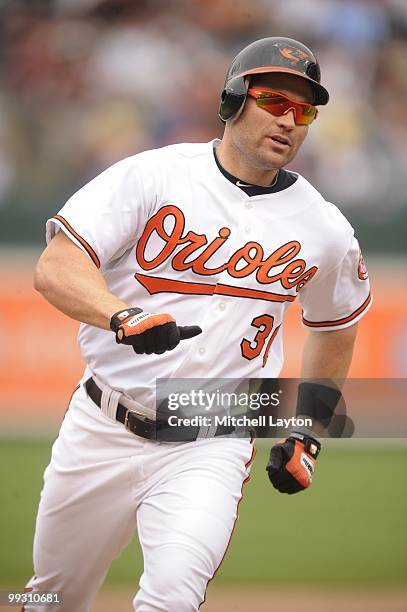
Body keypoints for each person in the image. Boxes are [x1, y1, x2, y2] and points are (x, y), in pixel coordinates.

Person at [24, 37, 371, 611]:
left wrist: (306, 428)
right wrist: (122, 315)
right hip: (101, 421)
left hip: (211, 435)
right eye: (273, 100)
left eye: (304, 110)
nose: (289, 119)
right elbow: (57, 266)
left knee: (173, 597)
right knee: (49, 597)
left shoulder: (324, 227)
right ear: (233, 101)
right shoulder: (152, 175)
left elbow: (336, 325)